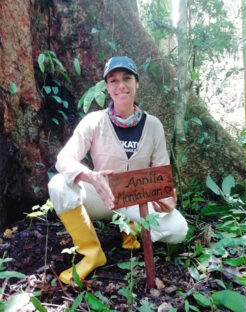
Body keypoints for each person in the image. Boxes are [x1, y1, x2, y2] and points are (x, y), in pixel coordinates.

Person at [48, 56, 188, 284]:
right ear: (107, 87)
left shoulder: (153, 125)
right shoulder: (94, 121)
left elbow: (161, 173)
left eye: (127, 78)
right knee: (59, 184)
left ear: (137, 83)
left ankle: (131, 228)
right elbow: (64, 158)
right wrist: (90, 176)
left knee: (179, 229)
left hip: (137, 199)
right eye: (113, 80)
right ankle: (92, 253)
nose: (120, 85)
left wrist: (167, 200)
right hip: (103, 195)